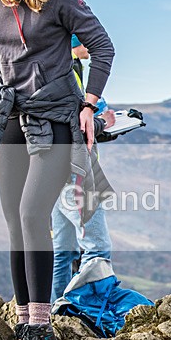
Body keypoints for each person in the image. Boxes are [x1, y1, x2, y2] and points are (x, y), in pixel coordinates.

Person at [0, 0, 115, 340]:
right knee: (15, 220)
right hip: (9, 115)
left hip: (54, 117)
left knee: (34, 214)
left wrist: (90, 103)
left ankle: (42, 328)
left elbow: (103, 47)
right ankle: (23, 321)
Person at [51, 35, 115, 302]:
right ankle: (88, 311)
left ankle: (53, 312)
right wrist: (102, 122)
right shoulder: (68, 71)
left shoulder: (61, 66)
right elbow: (76, 125)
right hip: (73, 170)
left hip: (52, 169)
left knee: (62, 251)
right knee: (97, 248)